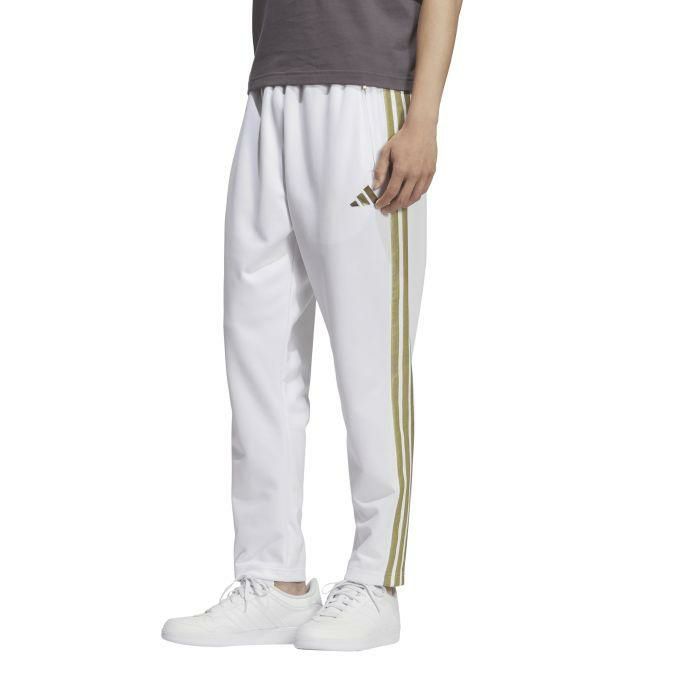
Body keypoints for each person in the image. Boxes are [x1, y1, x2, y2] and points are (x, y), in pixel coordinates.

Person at [162, 0, 463, 651]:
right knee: (258, 351)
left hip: (367, 99)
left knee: (369, 355)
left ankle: (376, 580)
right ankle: (273, 578)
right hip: (270, 92)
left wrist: (423, 119)